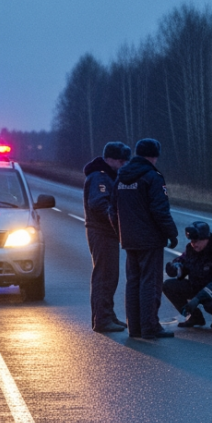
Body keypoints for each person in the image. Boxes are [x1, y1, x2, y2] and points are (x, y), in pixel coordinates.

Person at [117, 138, 178, 339]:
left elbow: (112, 209)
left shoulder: (121, 177)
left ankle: (134, 327)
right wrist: (171, 232)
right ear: (154, 156)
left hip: (129, 239)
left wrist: (120, 231)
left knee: (132, 282)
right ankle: (150, 326)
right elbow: (160, 210)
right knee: (150, 283)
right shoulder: (153, 177)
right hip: (150, 239)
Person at [83, 141, 130, 332]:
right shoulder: (100, 178)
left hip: (107, 232)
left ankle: (108, 315)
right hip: (101, 231)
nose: (123, 165)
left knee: (111, 275)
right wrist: (116, 220)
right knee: (104, 275)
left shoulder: (108, 177)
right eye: (120, 161)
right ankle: (102, 319)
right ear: (109, 159)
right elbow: (99, 204)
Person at [163, 221, 212, 328]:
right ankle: (194, 317)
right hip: (199, 284)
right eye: (192, 241)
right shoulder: (191, 250)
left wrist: (198, 298)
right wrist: (174, 268)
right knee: (168, 286)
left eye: (196, 241)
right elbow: (182, 261)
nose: (194, 244)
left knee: (209, 304)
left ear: (206, 239)